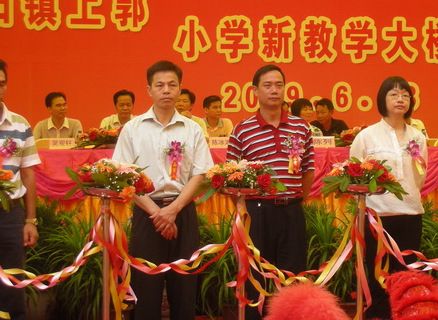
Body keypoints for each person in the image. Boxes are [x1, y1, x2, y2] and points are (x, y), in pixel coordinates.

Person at [112, 60, 213, 320]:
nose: (166, 90)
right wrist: (158, 213)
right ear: (149, 90)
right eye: (159, 85)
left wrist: (173, 209)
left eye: (172, 85)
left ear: (180, 89)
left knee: (184, 287)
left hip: (183, 212)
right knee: (146, 288)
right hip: (147, 214)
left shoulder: (193, 129)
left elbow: (200, 173)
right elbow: (125, 176)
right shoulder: (133, 129)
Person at [226, 64, 315, 320]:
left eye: (279, 85)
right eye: (267, 85)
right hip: (257, 213)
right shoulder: (242, 130)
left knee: (292, 276)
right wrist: (246, 207)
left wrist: (294, 198)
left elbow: (308, 170)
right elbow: (230, 176)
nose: (274, 90)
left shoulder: (301, 127)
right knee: (256, 275)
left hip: (291, 212)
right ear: (255, 91)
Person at [350, 76, 427, 319]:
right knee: (377, 276)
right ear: (382, 100)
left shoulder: (417, 137)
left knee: (407, 274)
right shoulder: (367, 136)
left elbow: (420, 176)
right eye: (394, 94)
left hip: (410, 213)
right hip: (377, 217)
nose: (400, 99)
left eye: (405, 95)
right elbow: (354, 176)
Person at [0, 58, 40, 320]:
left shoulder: (20, 125)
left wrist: (30, 220)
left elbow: (28, 173)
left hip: (10, 213)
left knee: (12, 283)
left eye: (2, 84)